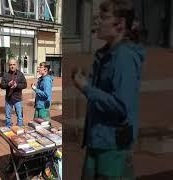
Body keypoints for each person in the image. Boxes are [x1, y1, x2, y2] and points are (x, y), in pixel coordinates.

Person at [71, 0, 145, 179]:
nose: (96, 22)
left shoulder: (123, 57)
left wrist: (87, 88)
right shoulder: (106, 54)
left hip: (112, 147)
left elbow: (121, 106)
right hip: (98, 141)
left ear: (119, 24)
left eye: (103, 18)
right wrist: (86, 82)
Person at [0, 58, 27, 128]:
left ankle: (20, 128)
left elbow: (25, 85)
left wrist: (17, 85)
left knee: (19, 116)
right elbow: (1, 85)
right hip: (8, 99)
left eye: (14, 64)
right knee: (8, 117)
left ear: (16, 65)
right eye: (10, 65)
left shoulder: (20, 74)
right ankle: (8, 128)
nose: (12, 66)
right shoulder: (6, 75)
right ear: (8, 66)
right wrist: (8, 85)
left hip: (18, 99)